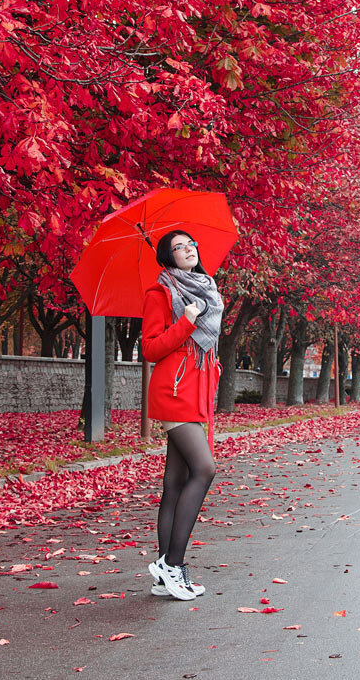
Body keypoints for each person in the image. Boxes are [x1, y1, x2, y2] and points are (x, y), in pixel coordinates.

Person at [141, 230, 223, 601]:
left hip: (195, 392)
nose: (188, 249)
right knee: (204, 469)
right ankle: (172, 564)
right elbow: (150, 348)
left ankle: (164, 573)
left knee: (174, 483)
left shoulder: (206, 289)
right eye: (178, 247)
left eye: (191, 243)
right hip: (173, 392)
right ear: (168, 257)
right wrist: (187, 320)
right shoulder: (160, 294)